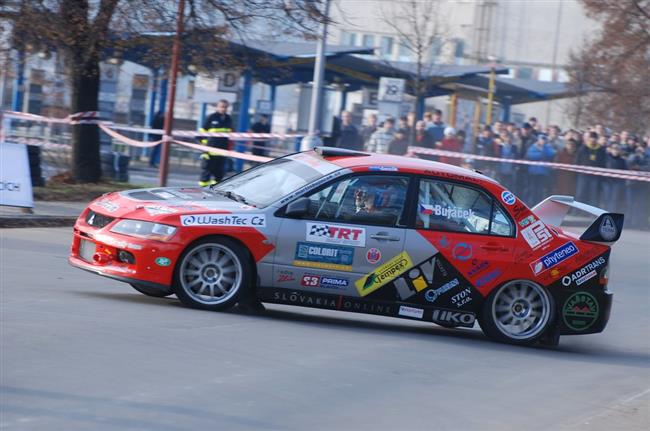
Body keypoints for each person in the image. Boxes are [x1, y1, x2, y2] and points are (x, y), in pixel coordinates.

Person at [198, 99, 232, 186]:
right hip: (210, 151)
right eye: (221, 107)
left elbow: (230, 135)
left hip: (222, 152)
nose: (223, 109)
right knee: (206, 173)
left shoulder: (228, 118)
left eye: (225, 107)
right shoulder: (211, 117)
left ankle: (213, 191)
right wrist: (204, 149)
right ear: (217, 107)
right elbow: (201, 134)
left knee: (219, 175)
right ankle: (202, 190)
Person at [575, 131, 606, 204]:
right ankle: (577, 211)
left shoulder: (601, 150)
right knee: (580, 193)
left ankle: (592, 213)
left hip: (595, 176)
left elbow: (603, 162)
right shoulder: (583, 148)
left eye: (594, 138)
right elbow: (577, 160)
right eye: (591, 138)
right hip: (583, 175)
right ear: (589, 139)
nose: (593, 140)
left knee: (594, 194)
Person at [525, 135, 557, 205]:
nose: (543, 141)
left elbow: (552, 154)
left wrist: (543, 149)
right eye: (541, 139)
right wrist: (541, 154)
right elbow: (530, 155)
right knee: (533, 189)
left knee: (540, 189)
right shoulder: (533, 147)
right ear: (538, 140)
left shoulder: (547, 147)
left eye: (544, 139)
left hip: (543, 172)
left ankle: (538, 203)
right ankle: (532, 203)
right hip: (533, 172)